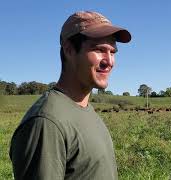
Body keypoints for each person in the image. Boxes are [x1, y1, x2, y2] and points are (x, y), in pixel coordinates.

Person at [9, 11, 131, 180]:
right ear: (69, 50)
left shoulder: (85, 109)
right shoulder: (46, 122)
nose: (109, 61)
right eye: (99, 49)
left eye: (113, 52)